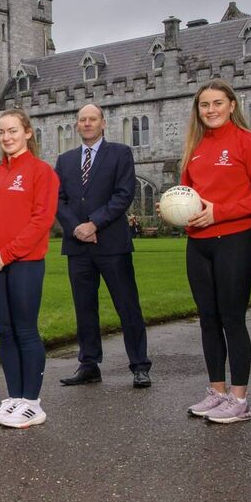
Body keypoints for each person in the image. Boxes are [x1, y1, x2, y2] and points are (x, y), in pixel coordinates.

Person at [178, 79, 251, 424]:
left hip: (234, 240)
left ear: (232, 105)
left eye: (217, 103)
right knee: (208, 319)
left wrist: (218, 212)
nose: (211, 110)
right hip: (198, 243)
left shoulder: (248, 142)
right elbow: (187, 194)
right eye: (204, 105)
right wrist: (175, 210)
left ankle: (239, 399)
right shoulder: (195, 146)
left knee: (232, 319)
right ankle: (217, 392)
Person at [55, 104, 153, 388]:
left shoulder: (120, 154)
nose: (87, 123)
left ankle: (139, 365)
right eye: (82, 119)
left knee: (127, 306)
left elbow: (124, 194)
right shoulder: (65, 160)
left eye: (92, 119)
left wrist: (94, 224)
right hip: (78, 246)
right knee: (84, 308)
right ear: (77, 125)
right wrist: (76, 228)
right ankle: (89, 365)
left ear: (103, 123)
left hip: (111, 244)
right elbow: (57, 199)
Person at [0, 109, 59, 428]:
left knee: (25, 330)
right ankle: (14, 399)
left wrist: (5, 254)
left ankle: (32, 403)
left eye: (12, 131)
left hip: (25, 264)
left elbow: (41, 221)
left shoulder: (41, 171)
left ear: (27, 133)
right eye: (1, 132)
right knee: (5, 331)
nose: (6, 137)